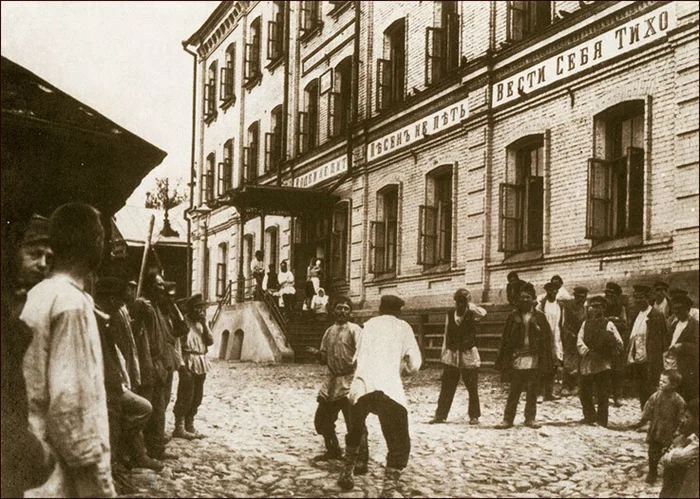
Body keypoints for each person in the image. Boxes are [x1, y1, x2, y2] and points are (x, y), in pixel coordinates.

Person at [21, 203, 116, 497]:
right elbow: (70, 403)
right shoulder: (71, 304)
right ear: (95, 242)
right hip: (62, 472)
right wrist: (99, 484)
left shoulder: (39, 293)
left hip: (35, 460)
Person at [337, 295, 422, 496]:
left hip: (362, 387)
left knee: (355, 431)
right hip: (388, 389)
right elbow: (415, 364)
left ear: (380, 309)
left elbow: (356, 358)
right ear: (398, 311)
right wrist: (403, 370)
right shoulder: (403, 327)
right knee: (399, 441)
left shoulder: (367, 326)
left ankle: (347, 473)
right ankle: (388, 490)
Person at [1, 214, 56, 498]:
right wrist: (32, 450)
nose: (43, 264)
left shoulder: (28, 300)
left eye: (49, 257)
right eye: (34, 254)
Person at [93, 278, 162, 476]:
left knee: (141, 409)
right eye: (122, 296)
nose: (128, 296)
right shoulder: (100, 318)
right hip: (109, 382)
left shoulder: (115, 313)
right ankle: (122, 458)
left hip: (123, 374)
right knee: (130, 412)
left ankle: (133, 453)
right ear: (111, 298)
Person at [131, 271, 188, 462]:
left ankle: (156, 448)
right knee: (146, 410)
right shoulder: (142, 305)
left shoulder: (161, 308)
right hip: (147, 365)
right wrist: (141, 312)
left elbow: (181, 329)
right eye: (158, 285)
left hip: (162, 364)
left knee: (159, 409)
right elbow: (134, 331)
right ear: (149, 287)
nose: (162, 289)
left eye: (163, 285)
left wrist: (172, 304)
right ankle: (139, 453)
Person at [305, 297, 368, 472]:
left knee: (355, 423)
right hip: (331, 383)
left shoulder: (355, 330)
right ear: (333, 311)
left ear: (350, 312)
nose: (342, 311)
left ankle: (361, 459)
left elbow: (362, 355)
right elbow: (324, 358)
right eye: (339, 308)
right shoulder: (329, 332)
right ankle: (333, 450)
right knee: (322, 421)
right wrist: (318, 354)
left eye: (346, 308)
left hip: (350, 383)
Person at [495, 283, 554, 429]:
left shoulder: (540, 317)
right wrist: (505, 358)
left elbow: (547, 339)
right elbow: (505, 339)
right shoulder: (513, 317)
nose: (525, 300)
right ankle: (508, 419)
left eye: (528, 297)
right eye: (522, 298)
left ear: (533, 299)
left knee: (532, 390)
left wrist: (537, 328)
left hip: (534, 358)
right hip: (518, 357)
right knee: (514, 390)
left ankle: (530, 418)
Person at [429, 288, 486, 425]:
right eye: (458, 301)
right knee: (447, 386)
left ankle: (474, 415)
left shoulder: (472, 313)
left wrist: (470, 304)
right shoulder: (450, 314)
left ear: (467, 302)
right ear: (455, 302)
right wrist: (444, 353)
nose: (460, 304)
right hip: (452, 354)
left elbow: (483, 313)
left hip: (468, 354)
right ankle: (440, 415)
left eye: (463, 301)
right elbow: (446, 333)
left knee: (472, 387)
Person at [630, 370, 686, 485]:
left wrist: (678, 431)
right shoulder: (656, 396)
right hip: (656, 429)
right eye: (660, 380)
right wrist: (644, 420)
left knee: (667, 452)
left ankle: (668, 473)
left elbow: (682, 417)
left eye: (664, 382)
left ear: (674, 385)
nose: (660, 383)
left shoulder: (678, 400)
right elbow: (648, 407)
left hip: (669, 431)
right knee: (652, 452)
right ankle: (652, 471)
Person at [576, 295, 623, 427]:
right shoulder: (585, 323)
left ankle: (602, 419)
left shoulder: (608, 324)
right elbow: (579, 340)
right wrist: (586, 351)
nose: (594, 309)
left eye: (598, 307)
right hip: (587, 360)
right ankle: (589, 415)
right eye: (593, 306)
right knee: (584, 390)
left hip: (602, 362)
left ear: (603, 309)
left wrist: (608, 352)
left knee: (602, 391)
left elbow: (619, 342)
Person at [173, 293, 214, 440]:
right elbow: (177, 346)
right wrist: (181, 365)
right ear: (190, 309)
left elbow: (210, 341)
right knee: (186, 394)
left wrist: (204, 325)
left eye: (201, 308)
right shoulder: (184, 322)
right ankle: (179, 427)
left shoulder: (201, 323)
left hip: (201, 360)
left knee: (197, 396)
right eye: (197, 308)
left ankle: (190, 425)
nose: (200, 311)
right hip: (188, 359)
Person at [627, 284, 671, 411]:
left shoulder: (655, 315)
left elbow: (662, 340)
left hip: (650, 359)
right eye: (636, 297)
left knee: (651, 388)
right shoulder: (637, 315)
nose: (638, 300)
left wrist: (656, 359)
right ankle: (645, 413)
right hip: (638, 358)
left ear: (647, 298)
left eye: (641, 297)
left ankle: (653, 416)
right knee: (641, 388)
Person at [659, 398, 699, 498]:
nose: (682, 420)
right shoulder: (685, 439)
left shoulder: (693, 446)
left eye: (687, 417)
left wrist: (673, 455)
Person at [664, 295, 699, 404]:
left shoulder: (695, 325)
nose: (676, 312)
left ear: (687, 309)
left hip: (687, 368)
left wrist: (682, 346)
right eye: (675, 309)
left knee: (686, 396)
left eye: (680, 309)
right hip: (672, 365)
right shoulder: (674, 324)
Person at [537, 281, 564, 401]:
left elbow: (561, 322)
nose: (552, 293)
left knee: (554, 364)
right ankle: (540, 393)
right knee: (543, 365)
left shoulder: (560, 305)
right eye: (550, 291)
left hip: (556, 337)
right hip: (544, 337)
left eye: (555, 291)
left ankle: (549, 392)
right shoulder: (541, 305)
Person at [560, 286, 588, 396]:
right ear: (575, 296)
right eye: (579, 297)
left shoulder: (585, 308)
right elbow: (563, 323)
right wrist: (568, 334)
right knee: (568, 361)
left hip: (581, 337)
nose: (581, 299)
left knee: (580, 360)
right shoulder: (568, 307)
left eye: (583, 297)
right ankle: (566, 385)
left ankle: (576, 384)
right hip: (569, 337)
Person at [605, 282, 629, 407]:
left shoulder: (621, 308)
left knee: (617, 371)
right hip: (603, 343)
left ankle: (617, 396)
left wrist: (612, 321)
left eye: (612, 293)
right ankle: (601, 395)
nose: (608, 295)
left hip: (616, 344)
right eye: (607, 292)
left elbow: (624, 324)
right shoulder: (602, 306)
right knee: (602, 370)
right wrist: (613, 320)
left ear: (617, 295)